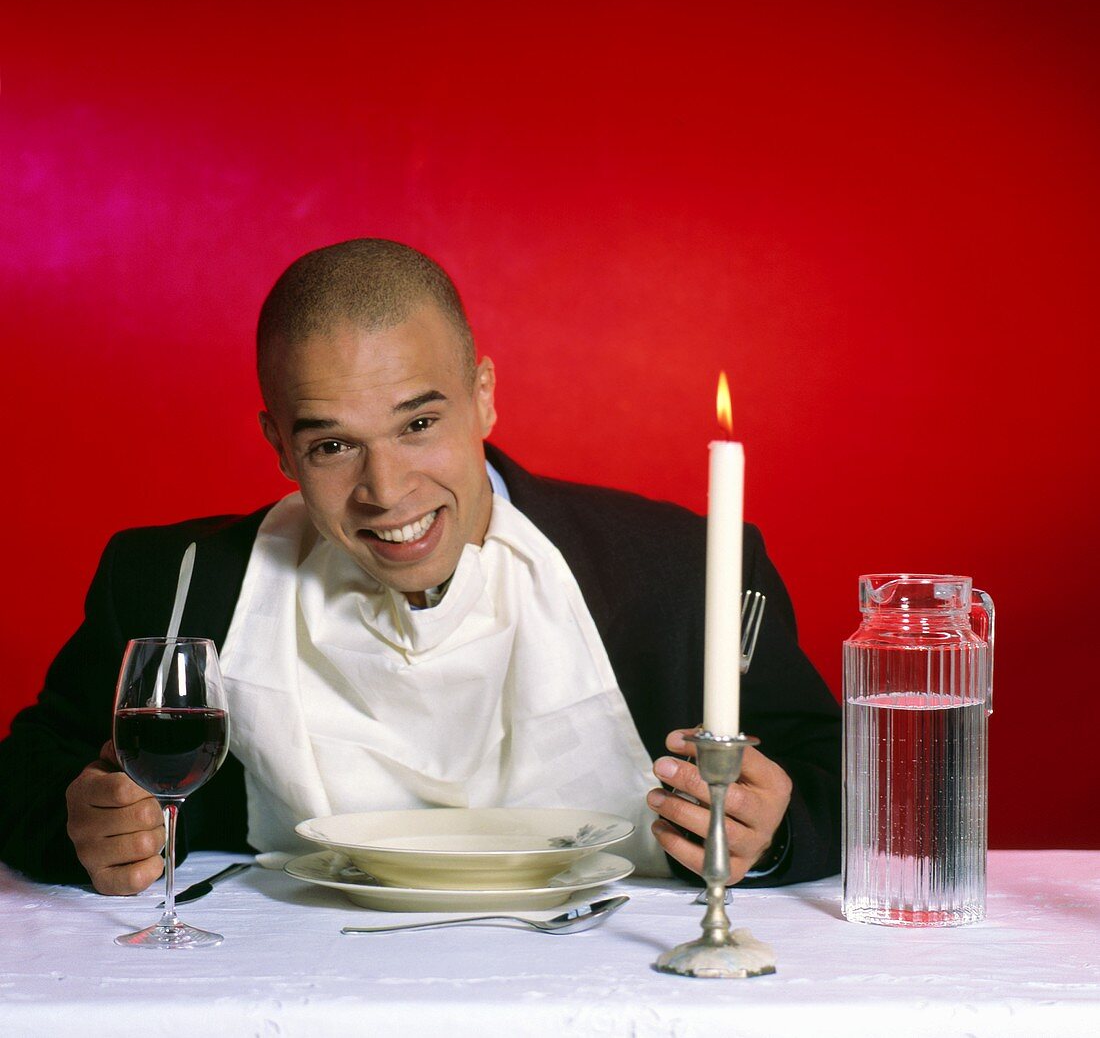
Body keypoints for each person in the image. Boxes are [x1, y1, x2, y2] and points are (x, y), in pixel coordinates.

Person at [0, 240, 841, 896]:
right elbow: (29, 775)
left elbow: (836, 783)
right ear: (279, 447)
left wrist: (776, 832)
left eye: (418, 423)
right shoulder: (170, 579)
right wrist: (78, 825)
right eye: (331, 444)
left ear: (482, 395)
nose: (386, 490)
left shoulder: (683, 570)